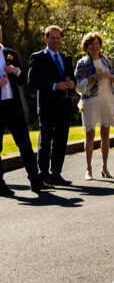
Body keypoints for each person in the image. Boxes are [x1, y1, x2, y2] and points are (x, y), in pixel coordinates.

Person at [0, 25, 49, 195]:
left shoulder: (10, 53)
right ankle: (0, 184)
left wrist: (16, 70)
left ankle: (35, 181)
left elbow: (22, 79)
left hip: (13, 106)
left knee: (25, 144)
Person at [27, 25, 76, 185]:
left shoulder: (66, 56)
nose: (55, 41)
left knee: (61, 141)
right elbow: (32, 82)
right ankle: (44, 175)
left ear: (61, 39)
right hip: (47, 106)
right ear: (46, 39)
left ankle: (56, 174)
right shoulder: (38, 57)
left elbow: (71, 76)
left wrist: (72, 84)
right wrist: (55, 85)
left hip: (63, 105)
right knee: (45, 142)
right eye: (52, 38)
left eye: (58, 38)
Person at [74, 32, 114, 180]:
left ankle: (104, 167)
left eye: (96, 43)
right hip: (90, 102)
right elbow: (78, 86)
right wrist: (91, 78)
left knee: (105, 134)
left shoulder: (107, 61)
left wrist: (110, 76)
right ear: (86, 47)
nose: (94, 47)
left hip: (106, 99)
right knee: (90, 135)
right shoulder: (82, 63)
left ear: (100, 45)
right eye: (91, 44)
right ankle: (88, 169)